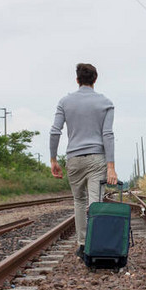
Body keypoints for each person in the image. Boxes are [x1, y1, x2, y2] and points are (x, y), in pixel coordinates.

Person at [49, 63, 118, 257]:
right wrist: (111, 166)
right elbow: (108, 134)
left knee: (79, 202)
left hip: (74, 159)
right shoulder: (106, 103)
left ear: (77, 80)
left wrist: (53, 159)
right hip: (97, 159)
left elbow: (55, 131)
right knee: (95, 202)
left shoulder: (65, 102)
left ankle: (82, 245)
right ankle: (96, 244)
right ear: (95, 79)